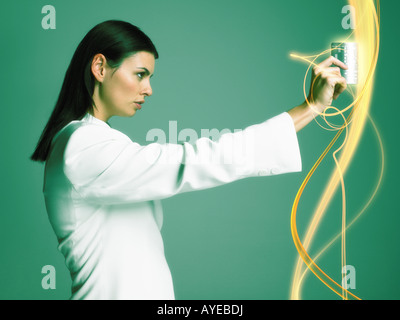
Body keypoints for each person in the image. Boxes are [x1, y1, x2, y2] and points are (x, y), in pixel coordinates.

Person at [30, 20, 347, 300]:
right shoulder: (81, 146)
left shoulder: (102, 143)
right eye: (140, 74)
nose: (149, 89)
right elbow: (192, 162)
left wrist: (312, 108)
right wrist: (310, 107)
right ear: (99, 68)